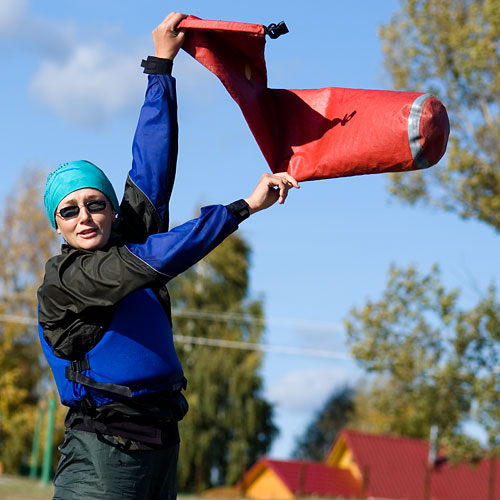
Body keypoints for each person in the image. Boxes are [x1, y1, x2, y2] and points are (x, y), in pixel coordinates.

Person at [37, 12, 299, 500]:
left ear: (112, 210)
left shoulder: (124, 241)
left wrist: (161, 65)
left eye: (96, 203)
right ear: (58, 225)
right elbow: (159, 256)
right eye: (69, 211)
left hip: (161, 453)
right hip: (102, 460)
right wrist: (242, 208)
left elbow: (151, 168)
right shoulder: (68, 279)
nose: (84, 217)